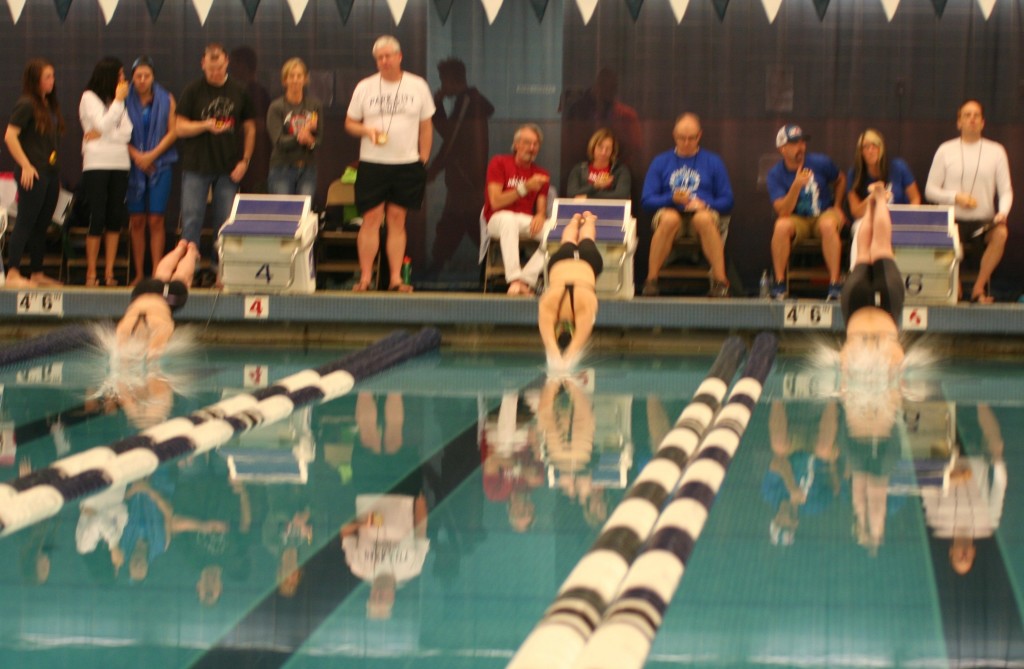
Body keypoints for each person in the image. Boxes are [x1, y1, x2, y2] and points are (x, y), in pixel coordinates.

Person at [345, 35, 434, 292]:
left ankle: (395, 278)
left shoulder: (417, 86)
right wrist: (367, 131)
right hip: (373, 162)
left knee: (397, 219)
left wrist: (423, 157)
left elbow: (426, 125)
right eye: (379, 58)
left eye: (387, 56)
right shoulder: (365, 87)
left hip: (407, 163)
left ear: (399, 57)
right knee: (371, 218)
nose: (383, 61)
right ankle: (365, 277)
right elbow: (349, 123)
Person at [175, 43, 256, 270]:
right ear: (203, 64)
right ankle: (189, 267)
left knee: (225, 222)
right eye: (211, 69)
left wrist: (245, 161)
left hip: (228, 167)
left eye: (219, 68)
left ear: (226, 61)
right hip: (196, 166)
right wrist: (205, 125)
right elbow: (179, 128)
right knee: (192, 220)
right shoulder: (193, 90)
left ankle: (220, 268)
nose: (215, 73)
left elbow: (250, 129)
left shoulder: (239, 91)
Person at [925, 100, 1013, 303]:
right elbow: (930, 190)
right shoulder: (945, 150)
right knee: (945, 236)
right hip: (951, 221)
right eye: (967, 115)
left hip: (983, 223)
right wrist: (955, 197)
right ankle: (953, 287)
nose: (972, 119)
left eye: (976, 115)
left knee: (1001, 233)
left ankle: (978, 288)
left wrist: (1003, 213)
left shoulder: (996, 151)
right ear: (959, 123)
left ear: (982, 123)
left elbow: (1006, 190)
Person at [641, 113, 734, 297]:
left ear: (699, 136)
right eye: (681, 138)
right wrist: (671, 199)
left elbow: (728, 200)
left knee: (704, 219)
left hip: (701, 215)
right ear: (674, 136)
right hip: (671, 214)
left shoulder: (713, 161)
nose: (686, 142)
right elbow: (646, 201)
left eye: (691, 138)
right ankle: (651, 281)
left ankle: (720, 282)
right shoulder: (661, 161)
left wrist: (705, 204)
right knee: (669, 218)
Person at [426, 58, 494, 276]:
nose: (442, 86)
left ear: (452, 80)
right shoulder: (468, 102)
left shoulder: (467, 103)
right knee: (461, 223)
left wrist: (436, 105)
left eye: (443, 80)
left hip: (467, 178)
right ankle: (490, 264)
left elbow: (451, 138)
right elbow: (452, 138)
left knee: (459, 222)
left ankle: (491, 264)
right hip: (467, 177)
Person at [3, 58, 65, 288]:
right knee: (26, 221)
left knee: (42, 224)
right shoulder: (27, 103)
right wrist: (26, 165)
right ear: (36, 80)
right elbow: (10, 136)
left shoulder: (47, 104)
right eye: (48, 76)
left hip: (48, 173)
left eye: (53, 76)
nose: (52, 80)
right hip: (33, 173)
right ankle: (13, 273)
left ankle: (37, 272)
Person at [767, 124, 847, 300]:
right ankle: (780, 284)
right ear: (782, 148)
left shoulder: (820, 162)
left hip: (824, 213)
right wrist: (796, 186)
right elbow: (783, 211)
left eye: (802, 142)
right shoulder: (775, 174)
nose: (801, 147)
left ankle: (835, 284)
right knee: (780, 226)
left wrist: (838, 205)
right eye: (794, 143)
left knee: (827, 225)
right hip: (797, 219)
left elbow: (840, 179)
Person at [79, 57, 133, 287]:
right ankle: (91, 272)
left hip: (120, 163)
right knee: (97, 216)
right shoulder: (89, 97)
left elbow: (127, 132)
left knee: (114, 218)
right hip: (97, 163)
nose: (123, 80)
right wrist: (117, 105)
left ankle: (109, 271)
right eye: (120, 75)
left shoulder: (116, 101)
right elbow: (102, 125)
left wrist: (105, 132)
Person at [125, 56, 178, 286]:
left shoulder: (167, 99)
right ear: (132, 78)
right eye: (138, 76)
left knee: (156, 220)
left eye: (147, 76)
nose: (143, 80)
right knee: (137, 221)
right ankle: (139, 273)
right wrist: (137, 155)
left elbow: (173, 132)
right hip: (132, 165)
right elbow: (114, 131)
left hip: (160, 164)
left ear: (153, 77)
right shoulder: (123, 101)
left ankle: (157, 271)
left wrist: (151, 155)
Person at [483, 123, 550, 296]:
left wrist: (541, 216)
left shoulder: (541, 174)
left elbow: (541, 208)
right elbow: (496, 202)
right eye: (527, 143)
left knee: (557, 232)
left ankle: (526, 279)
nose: (532, 148)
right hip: (497, 219)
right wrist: (525, 188)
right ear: (516, 144)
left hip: (524, 220)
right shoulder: (499, 163)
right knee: (507, 218)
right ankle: (514, 278)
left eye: (536, 144)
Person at [538, 211, 602, 371]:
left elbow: (573, 348)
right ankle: (576, 220)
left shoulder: (585, 306)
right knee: (567, 241)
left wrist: (562, 366)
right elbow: (550, 347)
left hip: (588, 265)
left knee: (587, 239)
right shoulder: (548, 304)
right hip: (561, 263)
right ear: (556, 330)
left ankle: (588, 220)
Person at [115, 239, 199, 361]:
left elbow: (149, 360)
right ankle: (184, 249)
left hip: (168, 299)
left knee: (181, 278)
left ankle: (188, 251)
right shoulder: (123, 328)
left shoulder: (126, 329)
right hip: (143, 292)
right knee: (162, 275)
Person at [267, 57, 321, 197]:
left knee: (304, 213)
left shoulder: (314, 106)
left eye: (299, 76)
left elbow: (318, 141)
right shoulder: (276, 107)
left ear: (305, 79)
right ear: (285, 80)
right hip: (282, 168)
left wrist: (310, 141)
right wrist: (301, 135)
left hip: (308, 168)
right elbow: (279, 141)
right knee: (284, 214)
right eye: (291, 76)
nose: (295, 80)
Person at [847, 128, 921, 220]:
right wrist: (873, 197)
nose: (870, 150)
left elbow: (915, 198)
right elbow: (856, 212)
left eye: (874, 146)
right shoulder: (854, 174)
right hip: (867, 220)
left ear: (881, 148)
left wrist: (909, 218)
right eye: (866, 147)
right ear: (861, 152)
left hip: (898, 219)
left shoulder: (898, 167)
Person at [565, 128, 631, 201]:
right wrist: (596, 186)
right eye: (600, 147)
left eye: (608, 148)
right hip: (582, 211)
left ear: (613, 151)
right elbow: (571, 194)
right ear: (593, 147)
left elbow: (621, 196)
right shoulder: (579, 170)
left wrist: (587, 197)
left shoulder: (620, 171)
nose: (603, 152)